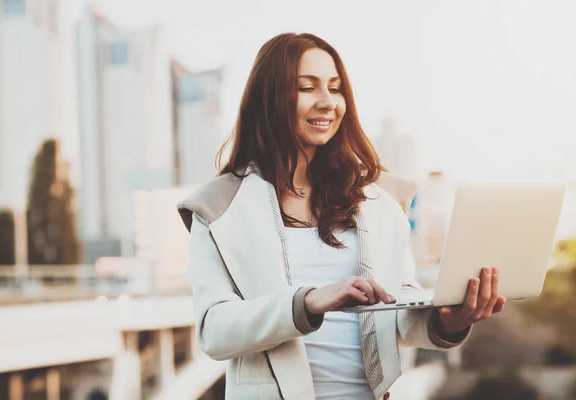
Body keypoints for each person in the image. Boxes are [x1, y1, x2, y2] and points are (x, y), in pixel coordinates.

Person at [177, 32, 506, 400]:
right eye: (307, 87)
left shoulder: (377, 201)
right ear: (269, 98)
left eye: (335, 89)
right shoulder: (219, 207)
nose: (327, 102)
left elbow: (397, 307)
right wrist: (308, 302)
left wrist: (451, 319)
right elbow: (214, 331)